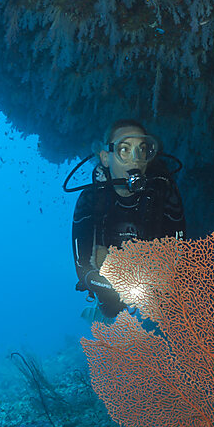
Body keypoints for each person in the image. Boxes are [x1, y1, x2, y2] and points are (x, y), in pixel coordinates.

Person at [71, 119, 185, 319]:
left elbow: (177, 252)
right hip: (106, 282)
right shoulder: (91, 199)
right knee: (110, 309)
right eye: (125, 150)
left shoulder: (163, 192)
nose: (135, 160)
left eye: (141, 150)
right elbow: (83, 267)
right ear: (106, 158)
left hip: (152, 284)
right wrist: (106, 285)